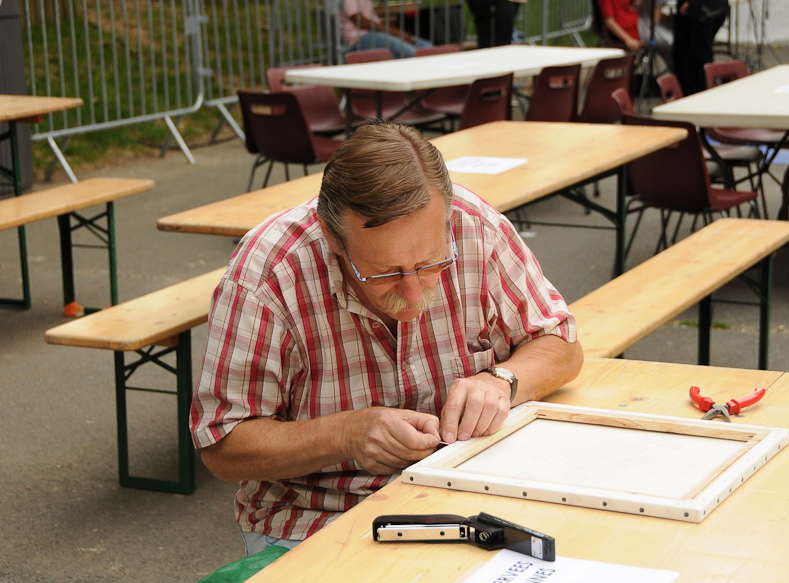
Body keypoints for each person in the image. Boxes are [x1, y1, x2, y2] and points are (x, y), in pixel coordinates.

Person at [190, 122, 584, 555]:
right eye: (385, 272)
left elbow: (561, 344)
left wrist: (502, 380)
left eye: (431, 262)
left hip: (469, 496)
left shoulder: (475, 227)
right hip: (318, 518)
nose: (414, 293)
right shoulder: (268, 275)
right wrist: (345, 435)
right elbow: (222, 446)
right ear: (331, 237)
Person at [671, 0, 729, 95]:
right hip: (709, 8)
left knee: (696, 58)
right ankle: (696, 94)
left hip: (701, 9)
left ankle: (700, 95)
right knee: (690, 56)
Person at [341, 0, 431, 59]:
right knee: (410, 52)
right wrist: (395, 33)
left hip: (376, 34)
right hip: (360, 38)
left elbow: (376, 23)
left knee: (426, 47)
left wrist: (396, 32)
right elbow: (362, 22)